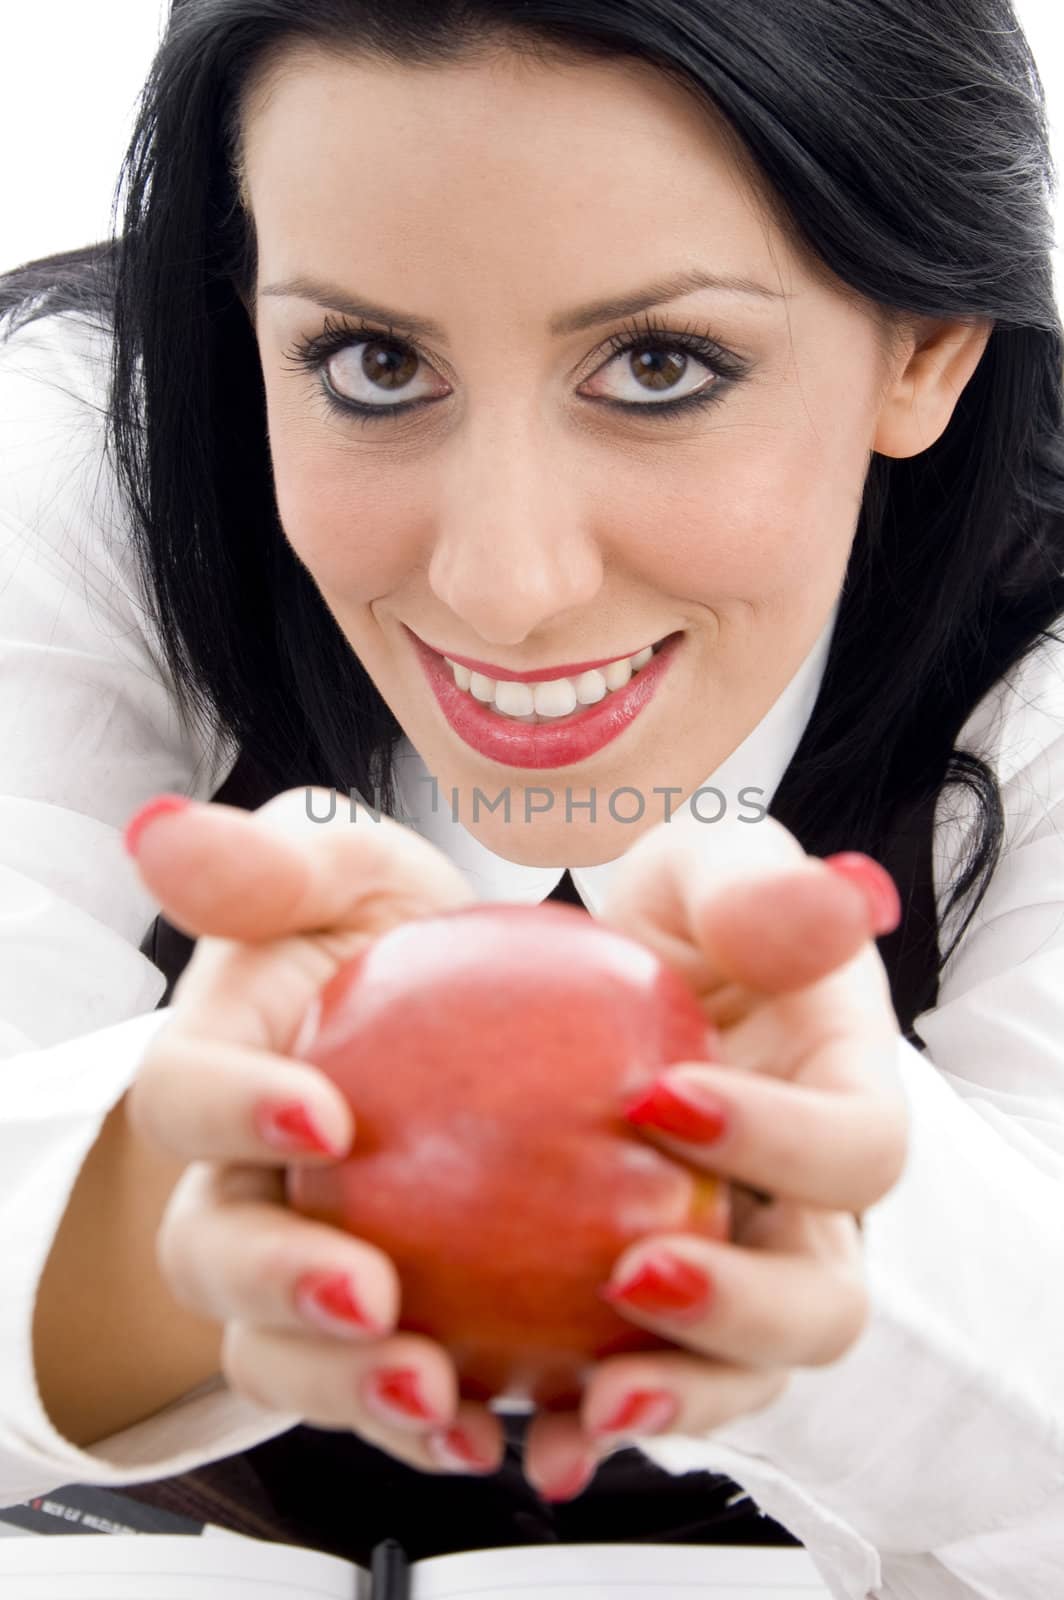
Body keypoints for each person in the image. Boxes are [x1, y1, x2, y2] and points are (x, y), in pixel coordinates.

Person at [0, 0, 1062, 1593]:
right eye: (369, 362)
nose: (503, 588)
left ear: (924, 348)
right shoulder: (82, 451)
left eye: (659, 364)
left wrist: (844, 1199)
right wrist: (160, 1193)